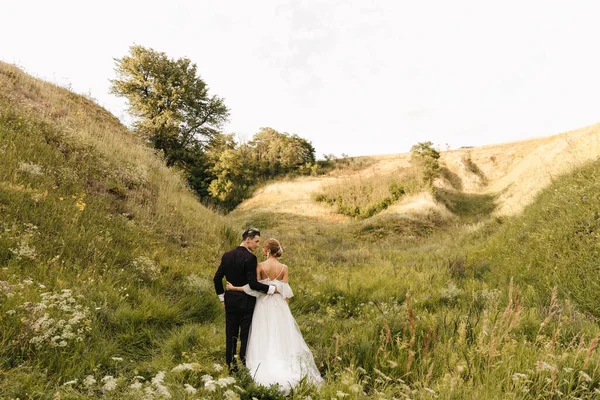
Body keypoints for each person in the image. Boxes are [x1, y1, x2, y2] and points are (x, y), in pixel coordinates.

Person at [226, 238, 323, 392]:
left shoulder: (260, 266)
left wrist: (235, 288)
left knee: (262, 333)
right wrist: (285, 310)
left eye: (264, 248)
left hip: (263, 305)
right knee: (281, 335)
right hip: (279, 306)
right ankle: (283, 363)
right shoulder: (284, 268)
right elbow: (286, 293)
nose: (262, 250)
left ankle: (261, 365)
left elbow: (254, 288)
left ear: (269, 251)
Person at [213, 227, 276, 370]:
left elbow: (217, 279)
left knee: (231, 333)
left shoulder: (227, 255)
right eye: (256, 241)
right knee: (245, 335)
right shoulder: (250, 258)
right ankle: (244, 363)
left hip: (230, 301)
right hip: (246, 302)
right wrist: (270, 289)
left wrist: (222, 298)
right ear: (248, 239)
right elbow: (253, 284)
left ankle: (230, 365)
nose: (258, 245)